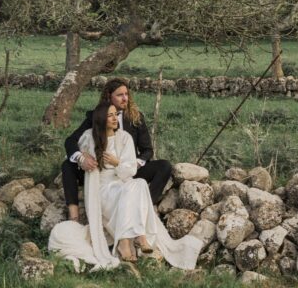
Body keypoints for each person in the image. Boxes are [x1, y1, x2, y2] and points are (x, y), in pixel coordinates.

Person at [49, 102, 202, 270]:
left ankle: (130, 240)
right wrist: (82, 156)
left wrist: (117, 163)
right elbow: (71, 151)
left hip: (121, 182)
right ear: (101, 119)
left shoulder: (125, 138)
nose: (116, 118)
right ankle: (136, 237)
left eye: (116, 114)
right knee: (132, 188)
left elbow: (129, 172)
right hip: (101, 189)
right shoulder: (88, 137)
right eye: (110, 115)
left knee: (140, 183)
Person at [61, 78, 172, 221]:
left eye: (126, 94)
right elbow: (71, 140)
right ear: (109, 96)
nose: (125, 98)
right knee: (67, 165)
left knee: (164, 166)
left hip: (127, 170)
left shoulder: (135, 117)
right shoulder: (96, 117)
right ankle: (74, 216)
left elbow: (147, 150)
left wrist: (132, 163)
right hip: (99, 173)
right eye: (120, 95)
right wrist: (81, 158)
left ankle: (144, 208)